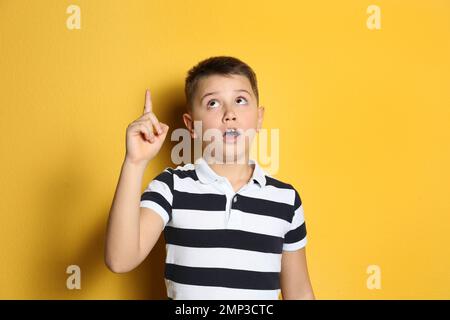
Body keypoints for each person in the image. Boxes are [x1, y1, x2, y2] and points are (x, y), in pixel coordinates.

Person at [105, 56, 315, 300]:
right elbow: (119, 260)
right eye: (213, 103)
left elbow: (299, 293)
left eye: (240, 100)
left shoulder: (286, 199)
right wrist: (135, 162)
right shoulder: (171, 187)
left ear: (259, 118)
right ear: (191, 125)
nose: (230, 114)